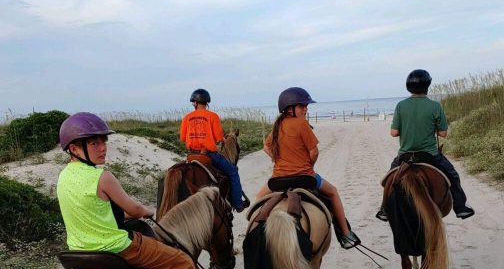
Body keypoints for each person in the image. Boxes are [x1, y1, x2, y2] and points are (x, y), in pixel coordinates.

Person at [56, 112, 237, 269]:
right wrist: (147, 211)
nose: (102, 147)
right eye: (94, 143)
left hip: (80, 252)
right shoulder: (102, 176)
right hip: (117, 247)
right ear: (74, 148)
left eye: (103, 141)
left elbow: (98, 211)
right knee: (183, 264)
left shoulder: (64, 176)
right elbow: (132, 209)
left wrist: (126, 215)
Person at [259, 87, 360, 250]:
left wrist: (277, 159)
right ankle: (346, 234)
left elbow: (266, 147)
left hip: (277, 180)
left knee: (258, 201)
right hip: (305, 176)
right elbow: (314, 151)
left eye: (306, 106)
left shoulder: (278, 126)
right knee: (333, 192)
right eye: (302, 106)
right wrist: (308, 166)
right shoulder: (301, 123)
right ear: (289, 109)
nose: (306, 109)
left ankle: (255, 234)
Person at [376, 69, 474, 221]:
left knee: (388, 179)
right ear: (427, 86)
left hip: (405, 155)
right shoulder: (435, 106)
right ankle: (461, 207)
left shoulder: (401, 105)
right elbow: (443, 134)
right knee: (453, 175)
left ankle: (384, 209)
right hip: (430, 154)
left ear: (408, 87)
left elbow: (394, 133)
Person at [179, 89, 249, 212]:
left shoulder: (186, 117)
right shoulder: (212, 116)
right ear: (206, 102)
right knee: (232, 171)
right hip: (209, 155)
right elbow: (218, 138)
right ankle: (238, 204)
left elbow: (183, 138)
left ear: (195, 102)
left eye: (193, 102)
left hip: (191, 156)